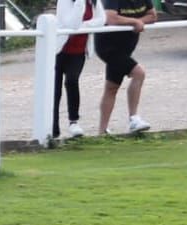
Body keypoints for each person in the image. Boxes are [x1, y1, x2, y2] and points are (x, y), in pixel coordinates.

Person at [95, 0, 156, 136]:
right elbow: (110, 18)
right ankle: (133, 119)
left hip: (125, 48)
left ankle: (102, 131)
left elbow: (152, 15)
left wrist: (139, 21)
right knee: (138, 73)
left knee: (111, 87)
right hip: (108, 47)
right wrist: (134, 22)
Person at [54, 0, 106, 139]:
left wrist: (85, 25)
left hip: (78, 51)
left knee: (72, 81)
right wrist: (80, 3)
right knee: (55, 89)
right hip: (58, 51)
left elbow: (101, 19)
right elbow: (71, 24)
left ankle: (73, 122)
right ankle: (53, 127)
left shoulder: (94, 2)